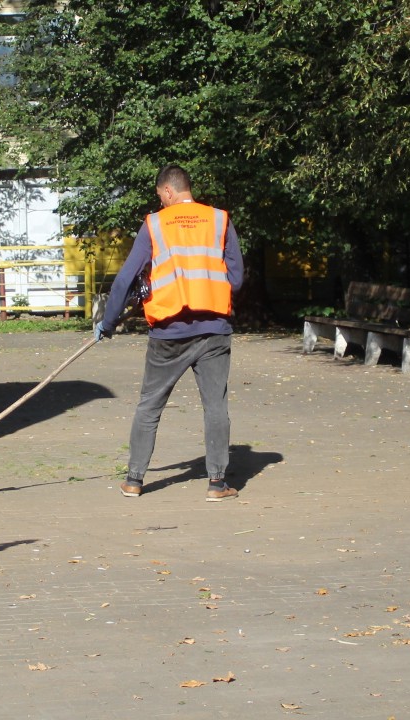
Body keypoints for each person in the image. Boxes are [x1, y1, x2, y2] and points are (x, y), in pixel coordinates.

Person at [94, 164, 245, 502]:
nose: (159, 201)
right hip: (213, 330)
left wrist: (108, 322)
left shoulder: (155, 224)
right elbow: (236, 278)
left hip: (167, 332)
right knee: (215, 406)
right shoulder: (220, 220)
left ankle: (134, 480)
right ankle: (217, 484)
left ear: (167, 191)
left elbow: (125, 278)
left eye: (159, 195)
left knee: (150, 405)